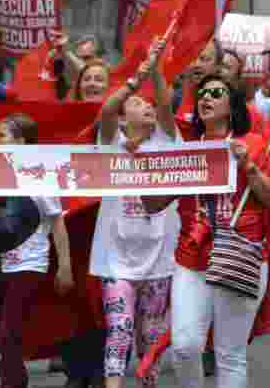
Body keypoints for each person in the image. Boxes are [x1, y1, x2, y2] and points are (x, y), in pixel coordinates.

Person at [145, 74, 270, 388]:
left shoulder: (254, 144)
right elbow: (153, 204)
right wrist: (140, 176)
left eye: (215, 93)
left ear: (231, 105)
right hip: (191, 258)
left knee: (229, 354)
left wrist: (248, 164)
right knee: (185, 346)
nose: (205, 97)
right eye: (201, 92)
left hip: (239, 255)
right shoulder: (189, 148)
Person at [91, 40, 180, 388]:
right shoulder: (111, 142)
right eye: (136, 103)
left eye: (148, 104)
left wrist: (155, 68)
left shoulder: (167, 141)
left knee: (150, 337)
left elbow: (165, 103)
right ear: (124, 117)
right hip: (115, 260)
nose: (146, 107)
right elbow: (106, 110)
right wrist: (132, 81)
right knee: (119, 329)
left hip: (159, 259)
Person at [0, 113, 74, 388]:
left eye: (1, 135)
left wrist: (65, 266)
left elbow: (57, 222)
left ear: (22, 140)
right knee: (4, 331)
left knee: (8, 333)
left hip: (29, 264)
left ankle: (14, 382)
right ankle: (15, 375)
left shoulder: (40, 176)